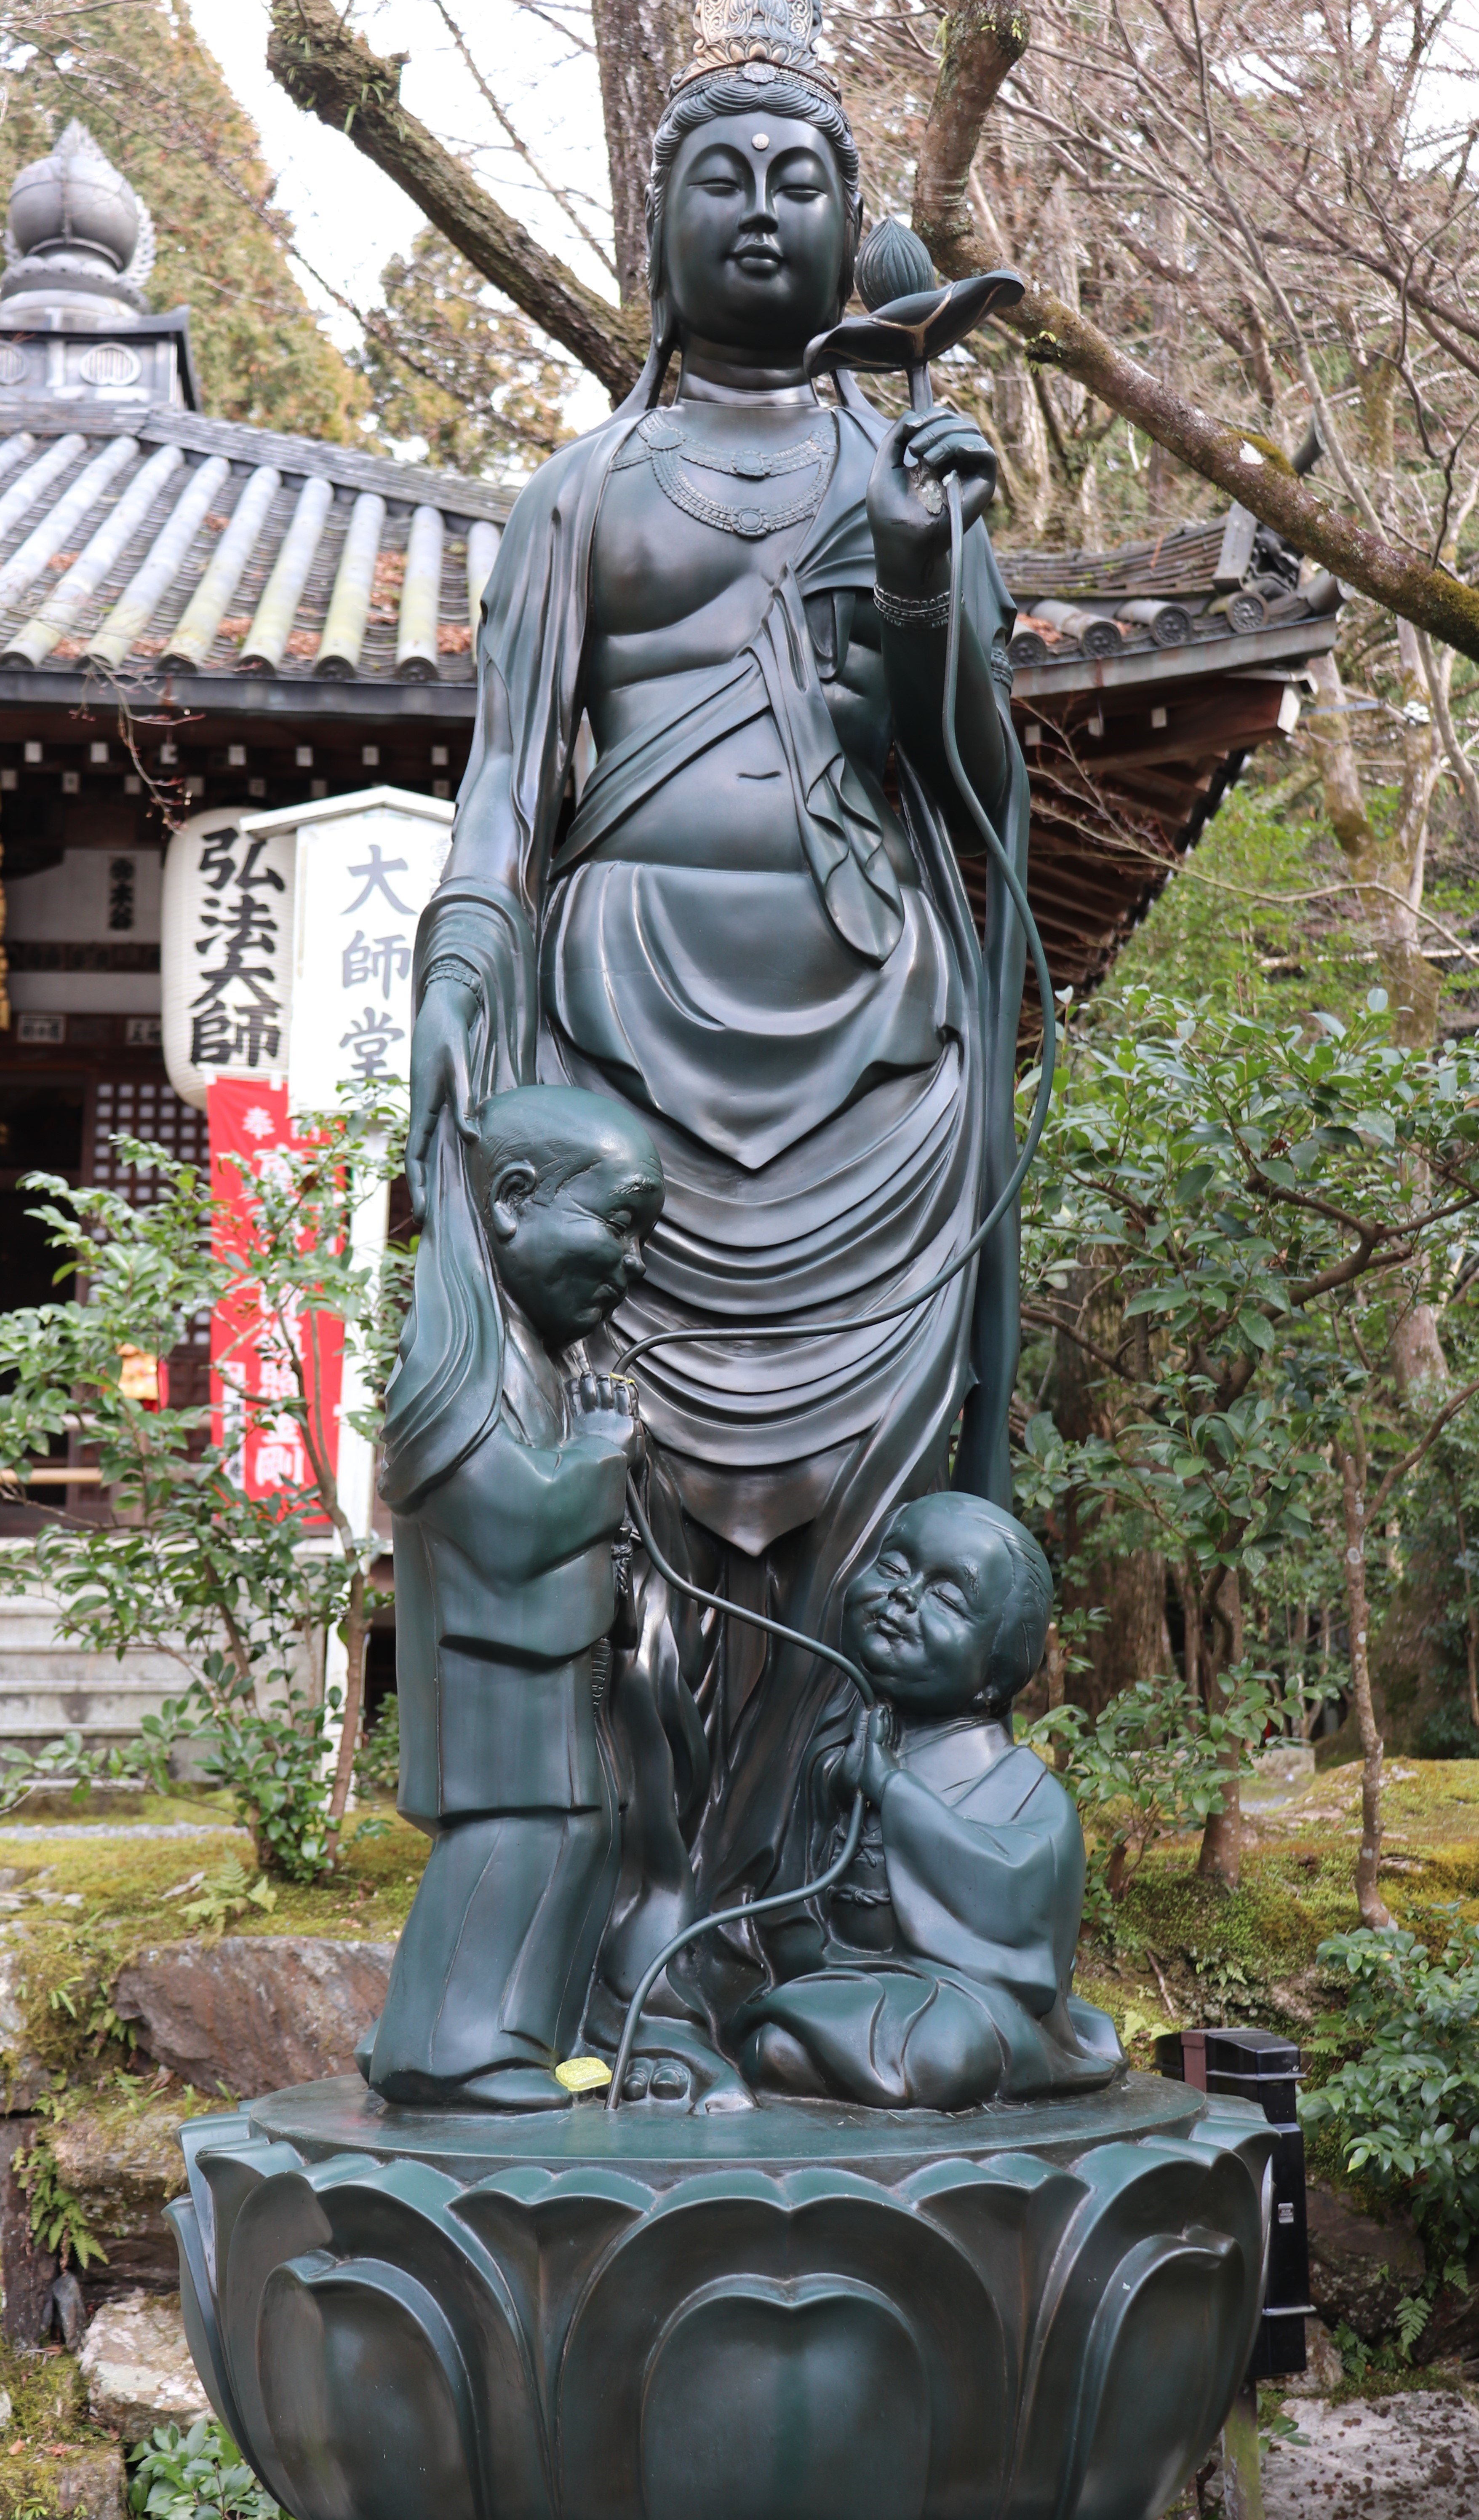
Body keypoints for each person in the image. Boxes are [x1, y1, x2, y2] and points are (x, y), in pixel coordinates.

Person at [400, 0, 1033, 1972]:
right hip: (627, 1075)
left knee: (861, 1506)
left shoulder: (900, 463)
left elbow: (976, 781)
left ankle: (816, 1909)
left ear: (848, 224)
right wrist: (457, 969)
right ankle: (649, 1907)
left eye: (796, 180)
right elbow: (510, 782)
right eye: (717, 180)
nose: (759, 212)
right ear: (655, 227)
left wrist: (926, 572)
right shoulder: (581, 490)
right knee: (639, 1499)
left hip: (873, 1065)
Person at [364, 1085, 662, 2111]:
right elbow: (517, 1523)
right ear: (513, 1199)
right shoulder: (453, 1368)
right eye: (619, 1223)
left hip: (557, 1674)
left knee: (580, 1838)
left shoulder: (537, 1358)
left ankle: (523, 2041)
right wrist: (597, 1450)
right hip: (495, 1681)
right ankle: (441, 2047)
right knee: (510, 1846)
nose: (634, 1263)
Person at [735, 1495, 1124, 2108]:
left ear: (1000, 1669)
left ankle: (832, 2043)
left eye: (947, 1597)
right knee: (764, 2041)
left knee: (950, 2048)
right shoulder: (831, 1759)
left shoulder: (1027, 1795)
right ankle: (816, 2035)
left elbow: (1018, 1909)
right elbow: (778, 1901)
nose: (903, 1597)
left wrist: (895, 1793)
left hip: (960, 2005)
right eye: (893, 1567)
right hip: (840, 1981)